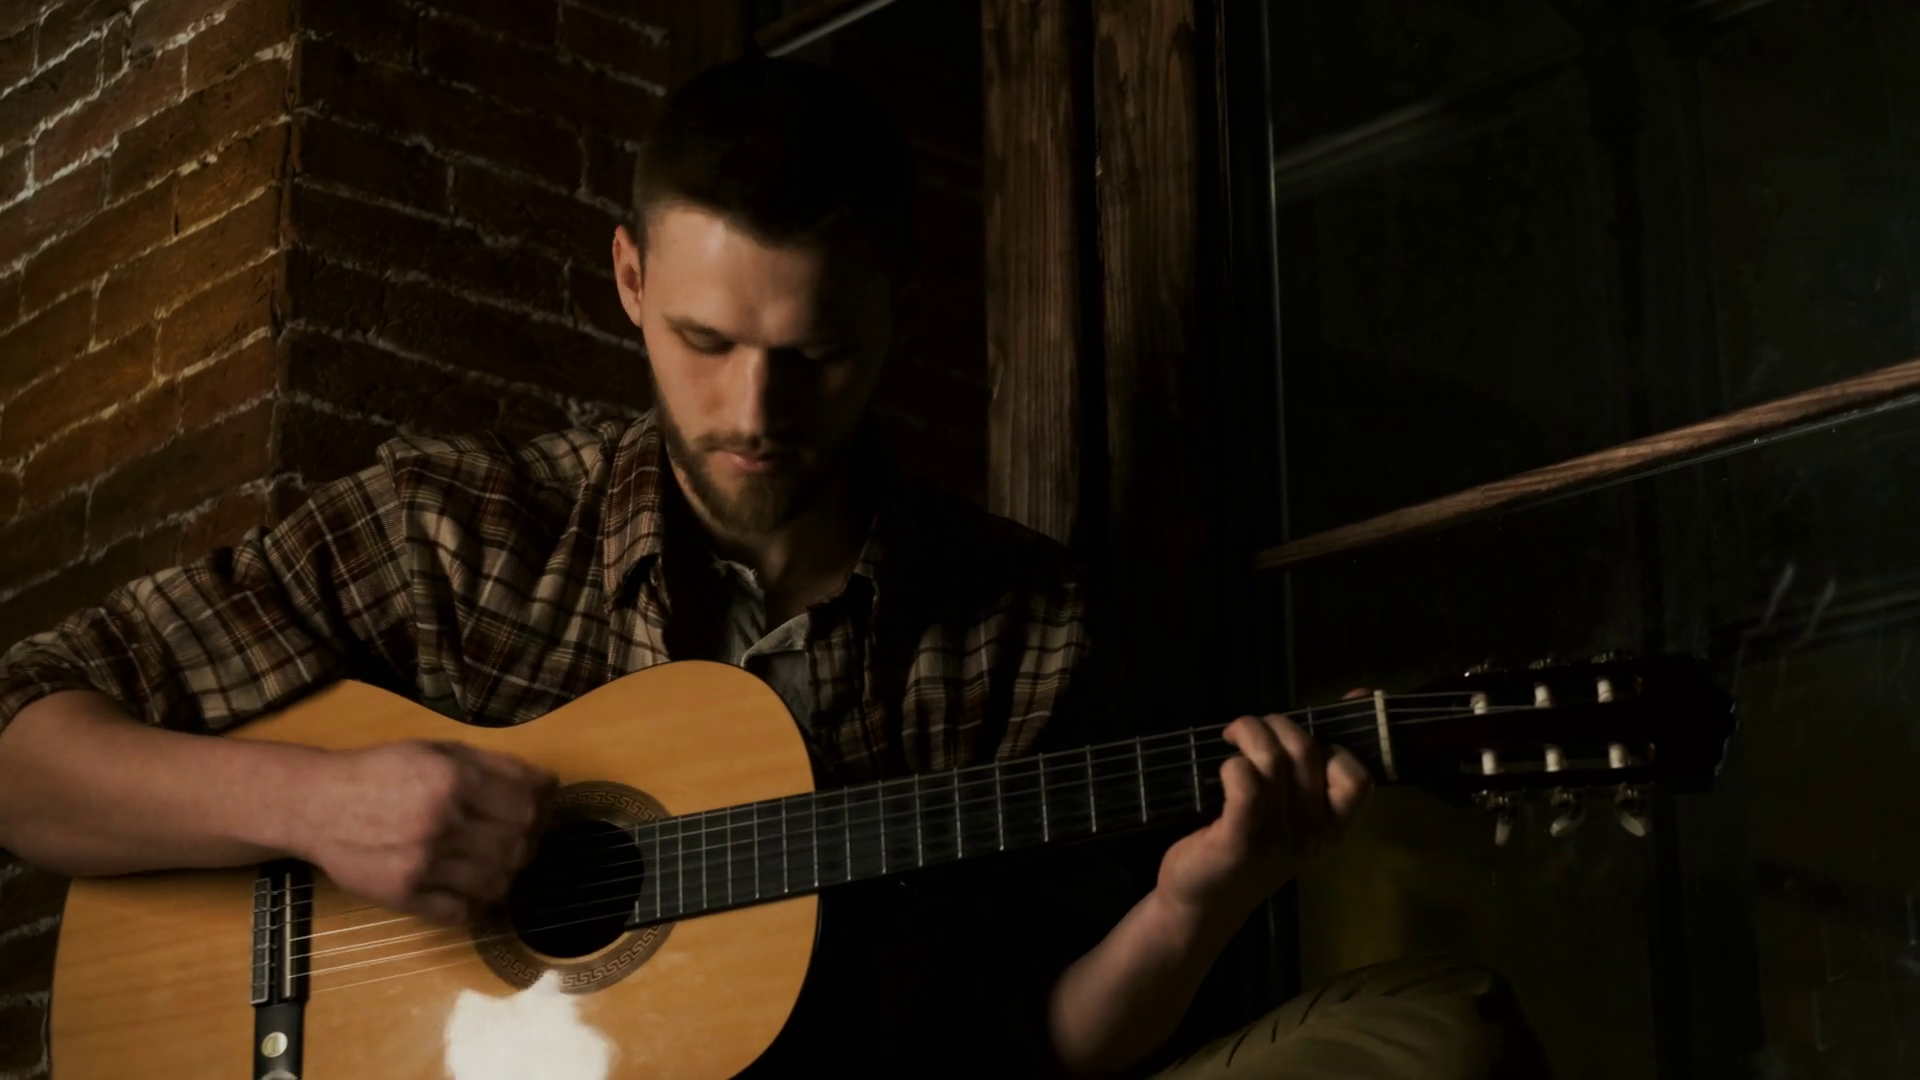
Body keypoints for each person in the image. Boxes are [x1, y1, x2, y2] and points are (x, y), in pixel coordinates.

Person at [0, 58, 1544, 1078]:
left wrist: (1201, 900)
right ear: (629, 278)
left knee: (1439, 1034)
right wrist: (314, 808)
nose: (753, 411)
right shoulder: (449, 532)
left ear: (897, 315)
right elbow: (21, 751)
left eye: (817, 357)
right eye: (705, 341)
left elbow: (1041, 1053)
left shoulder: (1028, 630)